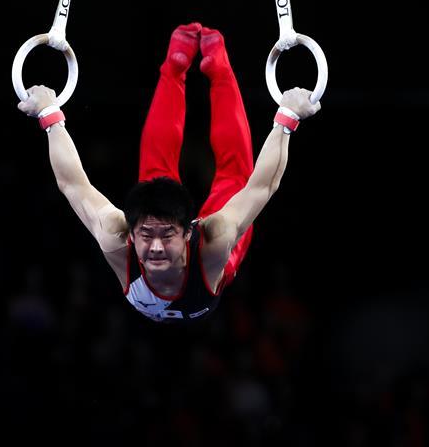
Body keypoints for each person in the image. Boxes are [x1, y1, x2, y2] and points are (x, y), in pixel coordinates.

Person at [17, 23, 321, 322]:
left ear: (189, 231)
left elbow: (262, 188)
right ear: (132, 235)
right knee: (234, 179)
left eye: (167, 234)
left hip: (206, 258)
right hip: (211, 271)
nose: (157, 247)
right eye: (146, 234)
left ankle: (177, 67)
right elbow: (73, 184)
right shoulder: (116, 235)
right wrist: (287, 117)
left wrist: (49, 116)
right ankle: (217, 66)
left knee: (163, 174)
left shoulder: (212, 239)